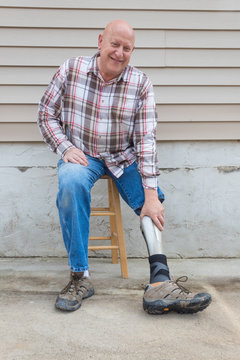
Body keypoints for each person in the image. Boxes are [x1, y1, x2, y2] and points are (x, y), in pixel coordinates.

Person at [38, 20, 211, 314]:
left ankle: (160, 282)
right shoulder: (71, 69)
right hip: (83, 155)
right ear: (100, 42)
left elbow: (146, 140)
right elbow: (46, 114)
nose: (119, 53)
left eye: (127, 48)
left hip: (123, 156)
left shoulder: (140, 83)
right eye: (114, 45)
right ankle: (80, 277)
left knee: (151, 200)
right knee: (70, 184)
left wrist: (152, 194)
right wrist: (65, 147)